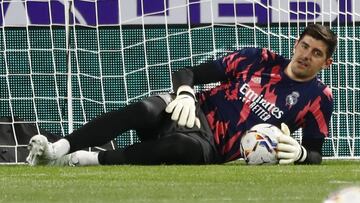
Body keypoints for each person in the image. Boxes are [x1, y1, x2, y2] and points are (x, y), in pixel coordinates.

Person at [26, 24, 337, 166]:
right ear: (296, 44)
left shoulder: (319, 97)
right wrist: (186, 93)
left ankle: (86, 159)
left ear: (327, 62)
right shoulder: (259, 58)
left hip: (210, 147)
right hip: (191, 110)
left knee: (180, 147)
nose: (306, 55)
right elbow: (189, 73)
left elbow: (314, 153)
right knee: (145, 110)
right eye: (304, 46)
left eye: (317, 53)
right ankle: (58, 148)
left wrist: (299, 155)